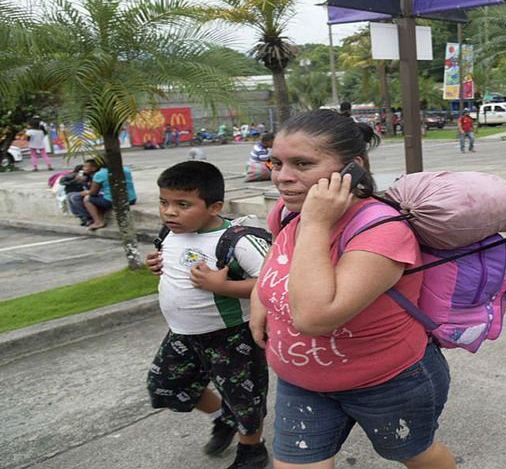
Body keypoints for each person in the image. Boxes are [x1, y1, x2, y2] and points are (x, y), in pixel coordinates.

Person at [250, 109, 457, 469]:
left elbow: (316, 317)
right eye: (276, 162)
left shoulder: (381, 230)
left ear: (354, 166)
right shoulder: (286, 212)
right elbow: (278, 255)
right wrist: (259, 299)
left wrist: (315, 221)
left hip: (388, 382)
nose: (283, 177)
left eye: (302, 163)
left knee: (417, 456)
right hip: (300, 382)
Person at [144, 161, 271, 469]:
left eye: (182, 204)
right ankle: (223, 418)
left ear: (214, 207)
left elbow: (274, 282)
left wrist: (223, 285)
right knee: (166, 384)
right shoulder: (170, 233)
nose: (169, 212)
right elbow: (174, 267)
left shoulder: (238, 240)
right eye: (164, 202)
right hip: (182, 334)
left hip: (231, 337)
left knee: (245, 398)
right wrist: (156, 264)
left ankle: (252, 450)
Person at [83, 164, 137, 231]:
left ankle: (98, 222)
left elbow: (93, 192)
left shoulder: (100, 174)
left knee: (87, 199)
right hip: (131, 199)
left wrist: (86, 192)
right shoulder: (126, 169)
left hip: (113, 200)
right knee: (101, 197)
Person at [66, 159, 101, 226]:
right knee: (69, 195)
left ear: (93, 168)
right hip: (89, 192)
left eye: (86, 167)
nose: (83, 168)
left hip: (96, 193)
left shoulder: (96, 176)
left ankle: (88, 217)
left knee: (75, 197)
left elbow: (97, 189)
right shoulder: (87, 176)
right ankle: (81, 216)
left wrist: (87, 192)